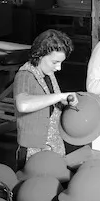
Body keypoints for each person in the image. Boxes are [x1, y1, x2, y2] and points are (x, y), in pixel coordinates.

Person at [14, 29, 78, 170]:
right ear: (40, 55)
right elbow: (22, 105)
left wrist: (65, 102)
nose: (59, 68)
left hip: (54, 145)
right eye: (55, 62)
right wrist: (59, 96)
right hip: (34, 150)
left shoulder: (48, 73)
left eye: (61, 62)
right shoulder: (25, 75)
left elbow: (49, 102)